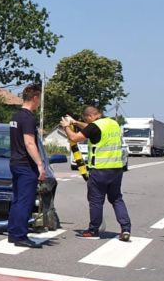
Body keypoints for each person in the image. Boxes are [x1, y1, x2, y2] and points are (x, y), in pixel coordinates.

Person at [62, 107, 132, 241]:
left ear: (89, 116)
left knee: (96, 201)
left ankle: (93, 230)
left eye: (85, 119)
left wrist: (66, 126)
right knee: (116, 199)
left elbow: (74, 137)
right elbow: (90, 127)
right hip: (117, 169)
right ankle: (126, 228)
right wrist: (75, 122)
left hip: (100, 170)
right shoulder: (113, 123)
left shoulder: (95, 126)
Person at [8, 84, 45, 249]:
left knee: (17, 200)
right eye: (40, 99)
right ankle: (20, 236)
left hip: (15, 162)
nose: (39, 103)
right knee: (25, 201)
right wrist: (39, 164)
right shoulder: (28, 118)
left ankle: (13, 233)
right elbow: (29, 142)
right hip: (25, 164)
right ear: (35, 98)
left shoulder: (16, 116)